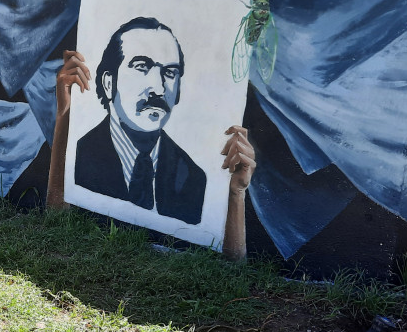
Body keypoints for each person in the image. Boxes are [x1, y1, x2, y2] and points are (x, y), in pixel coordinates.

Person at [47, 17, 256, 262]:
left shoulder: (193, 176)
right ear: (108, 82)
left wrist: (236, 192)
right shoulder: (81, 152)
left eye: (169, 72)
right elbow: (56, 223)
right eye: (142, 67)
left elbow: (231, 270)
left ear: (178, 90)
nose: (158, 88)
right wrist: (65, 117)